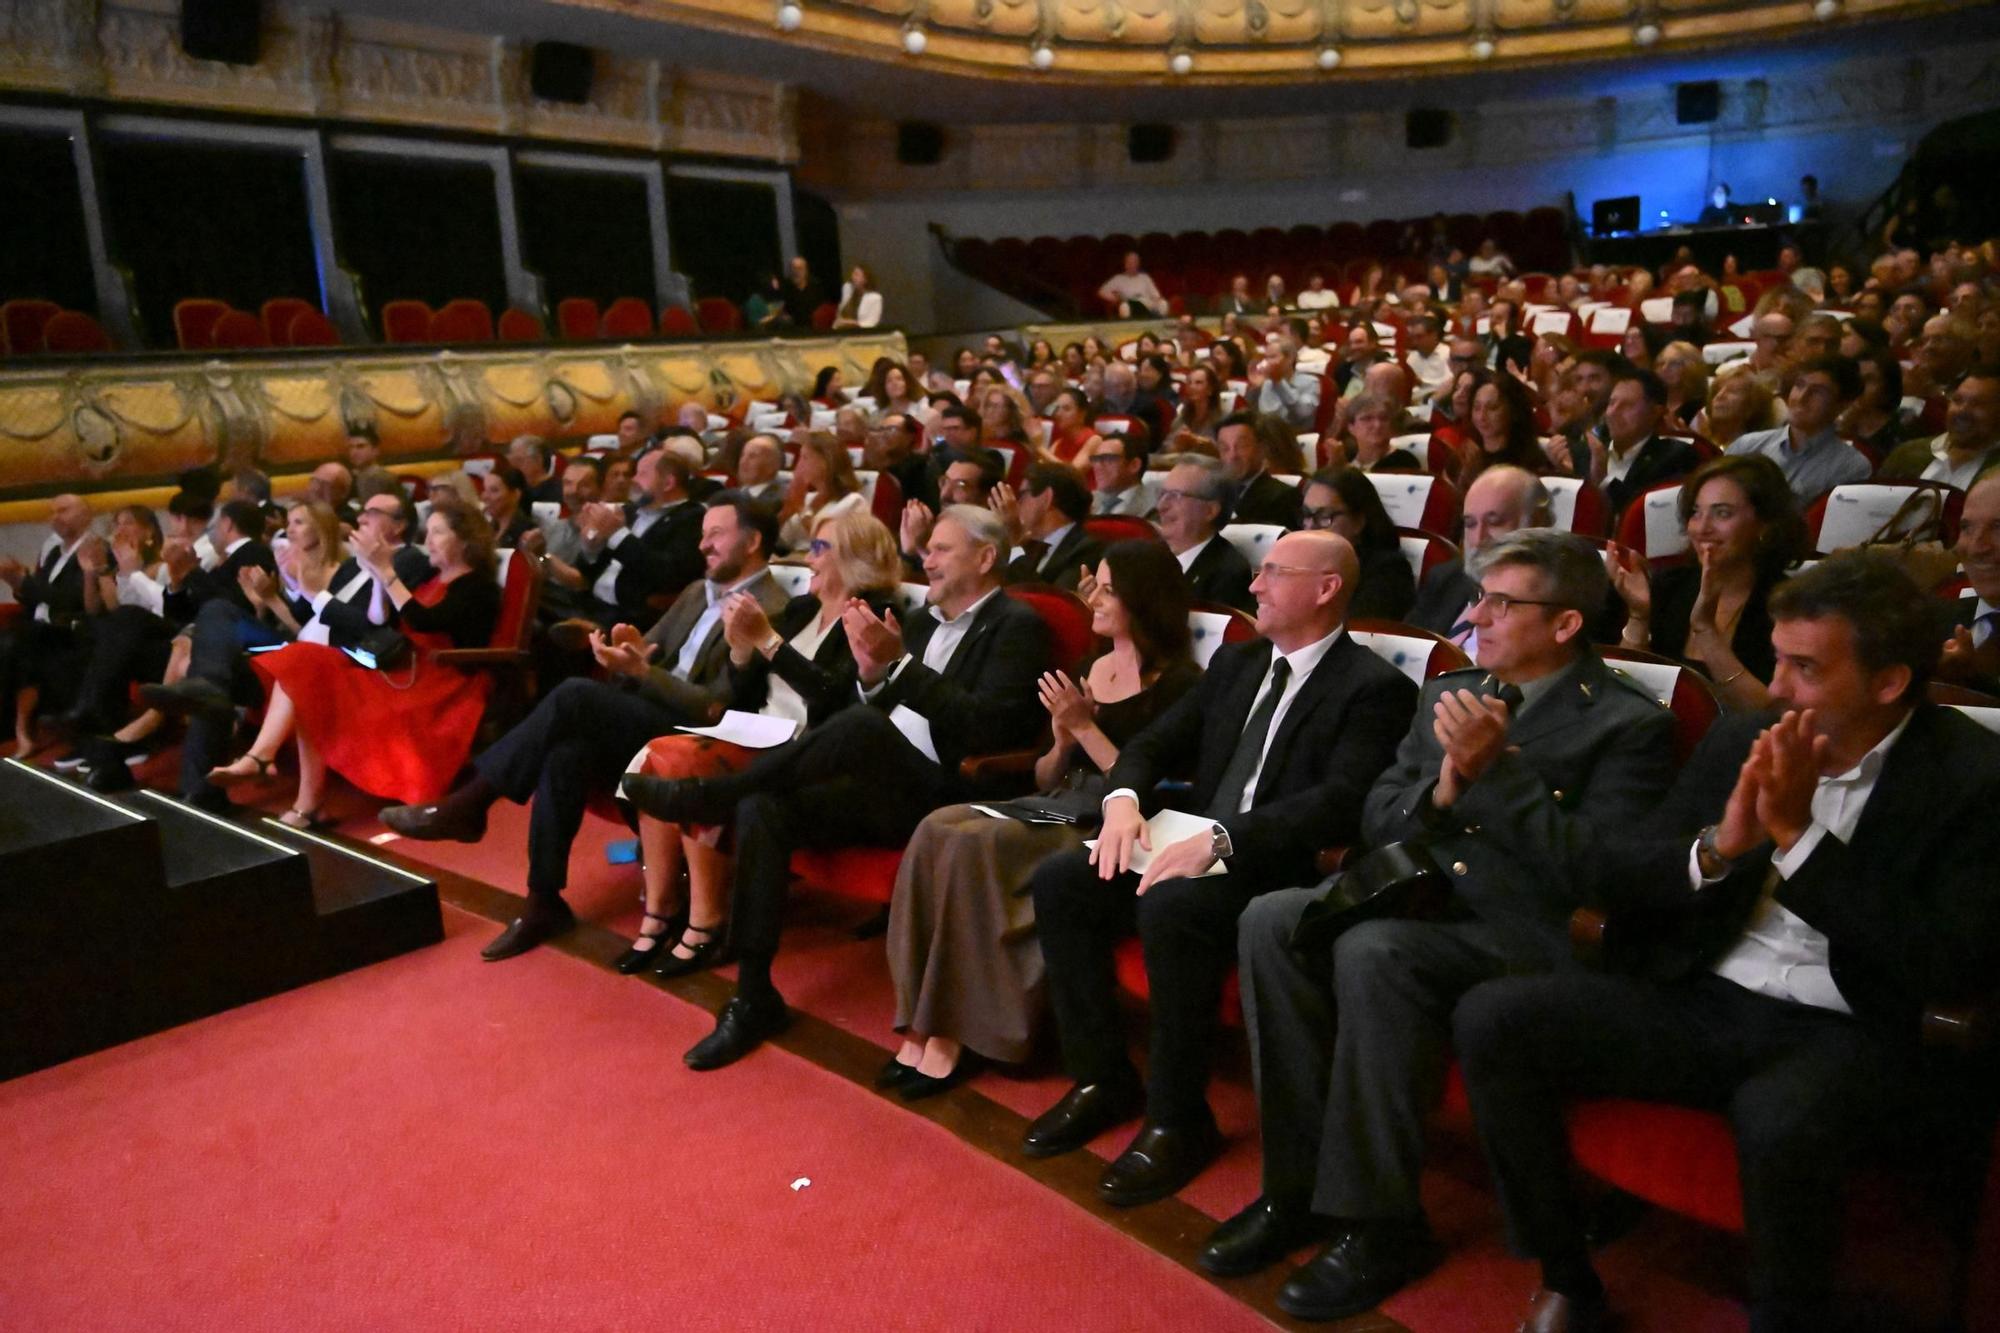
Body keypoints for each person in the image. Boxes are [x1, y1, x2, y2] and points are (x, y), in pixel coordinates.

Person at [1454, 551, 2000, 1333]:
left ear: (1888, 682)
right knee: (1495, 1018)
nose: (1776, 687)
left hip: (1853, 1025)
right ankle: (1566, 1273)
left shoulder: (1974, 775)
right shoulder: (1748, 734)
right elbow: (1628, 866)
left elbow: (1944, 959)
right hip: (1710, 993)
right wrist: (1716, 848)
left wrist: (1802, 839)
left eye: (1806, 667)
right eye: (1778, 658)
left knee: (1780, 1115)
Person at [1206, 530, 1674, 1319]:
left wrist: (1497, 777)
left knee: (1376, 950)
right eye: (1479, 595)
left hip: (1525, 928)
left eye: (1501, 602)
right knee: (1272, 918)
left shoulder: (1625, 724)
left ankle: (1381, 1223)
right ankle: (1296, 1187)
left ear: (1564, 624)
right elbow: (1379, 809)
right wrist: (1448, 787)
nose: (1475, 614)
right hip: (1420, 894)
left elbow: (1596, 871)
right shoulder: (1447, 692)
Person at [1023, 530, 1419, 1204]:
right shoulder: (1239, 665)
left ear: (1326, 588)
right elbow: (1153, 744)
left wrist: (1226, 839)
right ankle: (1101, 1076)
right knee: (1063, 880)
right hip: (1189, 840)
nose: (1254, 586)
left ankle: (1178, 1118)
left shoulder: (1373, 687)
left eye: (1272, 573)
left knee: (1173, 906)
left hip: (1276, 861)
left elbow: (1341, 800)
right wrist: (1122, 800)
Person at [624, 505, 1050, 1069]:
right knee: (763, 805)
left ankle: (710, 798)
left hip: (946, 794)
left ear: (987, 557)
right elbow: (854, 701)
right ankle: (753, 995)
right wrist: (875, 677)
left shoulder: (1018, 625)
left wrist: (894, 671)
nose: (927, 558)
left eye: (943, 549)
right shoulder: (920, 622)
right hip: (878, 780)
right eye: (931, 549)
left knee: (862, 727)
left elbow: (988, 728)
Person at [380, 494, 791, 960]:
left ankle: (470, 803)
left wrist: (641, 673)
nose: (703, 545)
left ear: (753, 541)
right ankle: (542, 900)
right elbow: (648, 650)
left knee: (575, 695)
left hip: (699, 739)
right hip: (650, 713)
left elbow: (718, 705)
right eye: (703, 534)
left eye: (716, 534)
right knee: (566, 752)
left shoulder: (773, 607)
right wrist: (624, 653)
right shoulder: (699, 592)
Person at [883, 541, 1201, 1097]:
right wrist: (1059, 739)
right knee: (937, 827)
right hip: (1057, 802)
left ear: (1142, 600)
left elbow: (1150, 790)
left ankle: (967, 1035)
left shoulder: (1180, 684)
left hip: (1110, 822)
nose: (1093, 599)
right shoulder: (1087, 668)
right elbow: (1044, 777)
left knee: (972, 844)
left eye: (1106, 589)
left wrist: (1082, 728)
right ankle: (920, 1018)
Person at [618, 510, 902, 975]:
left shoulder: (870, 617)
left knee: (683, 763)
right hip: (759, 729)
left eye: (818, 548)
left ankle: (705, 924)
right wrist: (740, 650)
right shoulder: (801, 610)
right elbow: (746, 691)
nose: (807, 558)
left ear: (852, 557)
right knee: (657, 755)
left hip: (808, 747)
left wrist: (767, 642)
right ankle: (661, 913)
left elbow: (836, 700)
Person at [210, 499, 501, 826]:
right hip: (403, 671)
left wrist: (386, 571)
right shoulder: (433, 579)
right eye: (428, 531)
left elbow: (422, 621)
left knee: (307, 667)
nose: (429, 539)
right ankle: (273, 769)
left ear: (466, 540)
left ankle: (296, 793)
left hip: (439, 685)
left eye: (439, 532)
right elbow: (385, 621)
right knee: (304, 663)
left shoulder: (478, 586)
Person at [1609, 455, 1803, 712]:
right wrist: (1638, 615)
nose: (1702, 528)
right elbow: (1620, 694)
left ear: (1764, 523)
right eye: (1696, 513)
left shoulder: (1789, 606)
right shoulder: (1668, 585)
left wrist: (1705, 630)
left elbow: (1771, 715)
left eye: (1722, 513)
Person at [564, 446, 706, 630]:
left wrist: (617, 534)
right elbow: (587, 573)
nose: (634, 480)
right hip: (590, 606)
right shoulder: (630, 512)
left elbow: (667, 574)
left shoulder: (692, 518)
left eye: (642, 474)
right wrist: (591, 547)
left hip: (633, 619)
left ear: (668, 482)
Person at [1409, 465, 1549, 645]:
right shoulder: (1446, 578)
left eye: (1494, 522)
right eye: (1470, 524)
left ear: (1535, 524)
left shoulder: (1556, 598)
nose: (1478, 538)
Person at [0, 493, 95, 753]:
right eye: (53, 512)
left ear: (85, 515)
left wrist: (25, 582)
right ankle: (15, 729)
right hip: (41, 628)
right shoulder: (54, 553)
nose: (56, 517)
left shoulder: (94, 549)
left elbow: (70, 599)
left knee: (19, 641)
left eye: (63, 510)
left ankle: (20, 730)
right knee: (9, 641)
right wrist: (15, 583)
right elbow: (36, 600)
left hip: (71, 631)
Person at [1726, 356, 1873, 504]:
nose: (1801, 398)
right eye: (1799, 385)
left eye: (1818, 392)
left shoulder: (1851, 467)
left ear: (1842, 405)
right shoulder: (1746, 446)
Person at [1300, 470, 1416, 620]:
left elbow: (1359, 631)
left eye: (1324, 516)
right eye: (1306, 514)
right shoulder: (1299, 562)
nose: (1310, 526)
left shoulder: (1388, 571)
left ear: (1358, 522)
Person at [1595, 368, 1702, 517]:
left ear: (1655, 412)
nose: (1613, 412)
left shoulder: (1676, 457)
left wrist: (1603, 479)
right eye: (1611, 403)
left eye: (1627, 405)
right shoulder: (1588, 451)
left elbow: (1643, 515)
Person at [1157, 457, 1255, 612]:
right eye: (1162, 494)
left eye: (1175, 496)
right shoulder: (1145, 556)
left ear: (1210, 511)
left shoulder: (1229, 574)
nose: (1161, 506)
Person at [1877, 366, 2000, 489]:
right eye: (1957, 400)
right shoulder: (1908, 453)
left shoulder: (1996, 471)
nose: (1962, 411)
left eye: (1977, 404)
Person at [1938, 473, 2000, 695]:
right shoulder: (1933, 621)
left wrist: (1972, 680)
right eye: (1967, 527)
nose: (1976, 547)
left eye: (1998, 527)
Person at [996, 464, 1102, 592]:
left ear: (1047, 497)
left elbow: (1049, 602)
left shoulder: (1088, 548)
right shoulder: (1030, 545)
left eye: (1022, 494)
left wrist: (1014, 539)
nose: (1017, 503)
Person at [776, 432, 867, 553]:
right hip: (793, 565)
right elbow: (782, 543)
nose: (799, 465)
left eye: (805, 458)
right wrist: (784, 515)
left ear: (826, 461)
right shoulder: (807, 498)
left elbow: (829, 546)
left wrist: (801, 509)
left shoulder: (854, 502)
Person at [1456, 373, 1548, 490]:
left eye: (1493, 407)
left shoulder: (1529, 464)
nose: (1481, 416)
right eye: (1477, 407)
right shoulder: (1468, 455)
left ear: (1513, 411)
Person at [1216, 411, 1306, 529]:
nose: (1232, 456)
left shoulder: (1283, 497)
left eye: (1241, 445)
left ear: (1262, 449)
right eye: (1224, 448)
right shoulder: (1213, 493)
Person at [1249, 335, 1321, 433]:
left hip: (1296, 436)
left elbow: (1302, 413)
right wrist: (1255, 390)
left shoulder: (1310, 382)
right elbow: (1263, 416)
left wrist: (1279, 382)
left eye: (1273, 357)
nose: (1267, 362)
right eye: (1266, 358)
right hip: (1268, 436)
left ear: (1290, 358)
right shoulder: (1267, 383)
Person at [1695, 369, 1780, 451]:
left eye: (1733, 391)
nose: (1720, 396)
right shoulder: (1701, 439)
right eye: (1717, 391)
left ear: (1751, 404)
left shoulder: (1758, 449)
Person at [1087, 431, 1161, 519]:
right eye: (1095, 459)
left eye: (1108, 459)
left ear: (1134, 465)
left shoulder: (1154, 507)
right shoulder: (1087, 501)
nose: (1098, 466)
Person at [480, 464, 535, 549]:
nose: (485, 497)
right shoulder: (485, 530)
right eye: (484, 490)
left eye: (494, 490)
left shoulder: (526, 533)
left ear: (516, 495)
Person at [1099, 251, 1168, 318]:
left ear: (1138, 264)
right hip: (1130, 304)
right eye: (1130, 262)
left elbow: (1155, 295)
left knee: (1163, 303)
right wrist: (1115, 298)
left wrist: (1157, 300)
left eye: (1135, 262)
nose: (1132, 265)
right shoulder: (1118, 279)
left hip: (1146, 304)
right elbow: (1102, 292)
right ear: (1125, 264)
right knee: (1124, 307)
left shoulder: (1145, 277)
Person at [505, 435, 562, 506]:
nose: (514, 466)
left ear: (538, 460)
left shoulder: (555, 492)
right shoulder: (515, 488)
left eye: (519, 460)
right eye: (511, 461)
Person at [781, 255, 827, 328]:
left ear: (806, 271)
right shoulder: (787, 289)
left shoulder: (816, 288)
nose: (796, 272)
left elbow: (823, 311)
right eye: (793, 268)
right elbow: (786, 311)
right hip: (794, 330)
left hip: (815, 329)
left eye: (799, 268)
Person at [832, 265, 882, 329]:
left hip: (861, 335)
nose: (853, 277)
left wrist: (848, 322)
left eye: (856, 274)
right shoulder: (847, 290)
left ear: (865, 279)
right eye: (853, 274)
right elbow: (840, 313)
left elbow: (870, 323)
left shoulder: (875, 298)